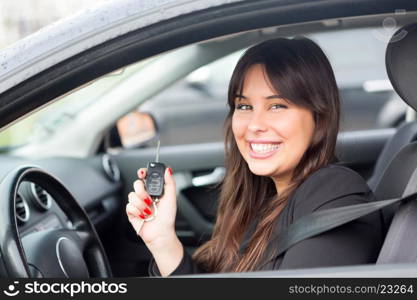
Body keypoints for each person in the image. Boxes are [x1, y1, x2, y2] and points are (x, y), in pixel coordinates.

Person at [125, 37, 383, 276]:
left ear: (319, 118)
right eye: (244, 106)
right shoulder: (265, 199)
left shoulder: (333, 192)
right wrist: (163, 242)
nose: (254, 125)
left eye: (277, 106)